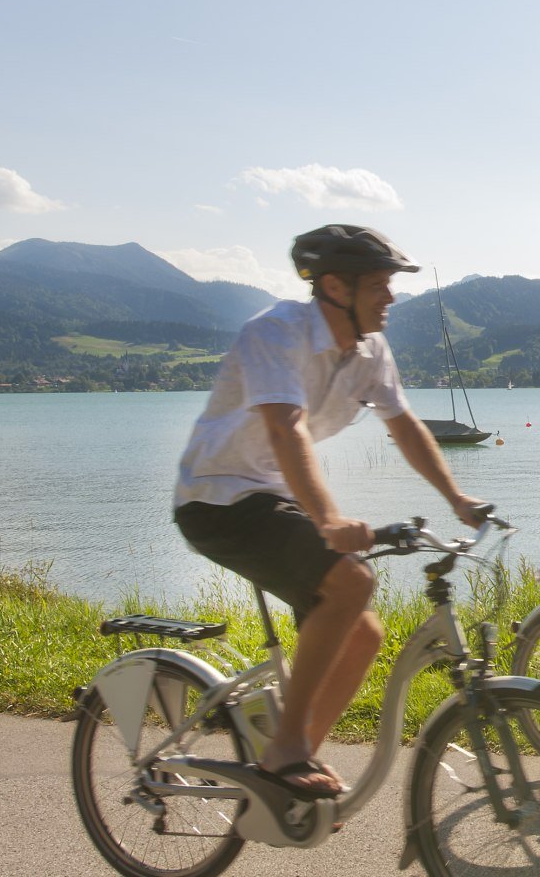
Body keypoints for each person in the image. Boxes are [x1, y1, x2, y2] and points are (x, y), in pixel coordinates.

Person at [172, 224, 490, 799]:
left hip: (271, 496)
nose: (391, 297)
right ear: (335, 286)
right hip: (217, 498)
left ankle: (288, 768)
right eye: (379, 285)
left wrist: (457, 499)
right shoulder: (276, 333)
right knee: (351, 582)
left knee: (364, 634)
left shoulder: (369, 349)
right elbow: (285, 428)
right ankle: (287, 750)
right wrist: (327, 520)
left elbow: (406, 427)